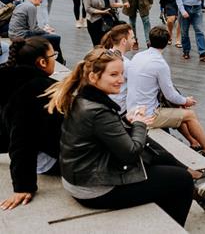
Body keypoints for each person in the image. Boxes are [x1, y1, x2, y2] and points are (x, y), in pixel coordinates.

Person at [46, 48, 194, 227]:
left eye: (122, 74)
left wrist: (127, 120)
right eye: (114, 74)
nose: (121, 80)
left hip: (81, 177)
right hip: (94, 189)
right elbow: (131, 153)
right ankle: (173, 225)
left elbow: (102, 134)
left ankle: (196, 184)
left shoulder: (82, 98)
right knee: (182, 181)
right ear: (93, 77)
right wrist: (140, 123)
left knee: (154, 153)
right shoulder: (97, 110)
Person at [126, 26, 205, 159]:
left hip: (132, 108)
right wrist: (187, 101)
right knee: (189, 115)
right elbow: (170, 95)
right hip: (147, 115)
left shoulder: (139, 56)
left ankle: (195, 142)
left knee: (177, 111)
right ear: (167, 42)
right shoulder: (159, 64)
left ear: (150, 41)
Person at [0, 37, 62, 210]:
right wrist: (23, 186)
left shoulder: (8, 79)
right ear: (42, 62)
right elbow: (22, 137)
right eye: (53, 55)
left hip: (37, 155)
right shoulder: (37, 88)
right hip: (47, 160)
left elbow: (7, 126)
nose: (55, 60)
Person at [8, 0, 64, 64]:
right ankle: (59, 60)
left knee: (49, 36)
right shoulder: (31, 7)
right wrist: (46, 31)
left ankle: (54, 58)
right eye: (40, 1)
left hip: (12, 34)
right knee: (56, 38)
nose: (40, 4)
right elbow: (33, 29)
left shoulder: (21, 5)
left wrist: (43, 31)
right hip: (21, 35)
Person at [100, 24, 135, 113]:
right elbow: (134, 92)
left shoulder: (104, 54)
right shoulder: (126, 64)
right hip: (119, 109)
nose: (134, 41)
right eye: (132, 38)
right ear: (124, 41)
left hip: (104, 104)